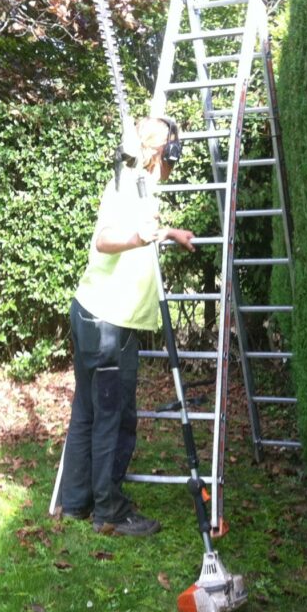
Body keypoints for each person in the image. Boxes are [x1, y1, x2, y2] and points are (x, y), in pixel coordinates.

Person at [57, 116, 196, 536]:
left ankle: (76, 502)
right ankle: (109, 511)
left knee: (86, 412)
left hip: (93, 313)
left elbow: (142, 226)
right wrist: (138, 238)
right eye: (173, 153)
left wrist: (168, 232)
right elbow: (104, 238)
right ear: (162, 154)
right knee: (114, 418)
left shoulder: (136, 183)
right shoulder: (127, 185)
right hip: (108, 325)